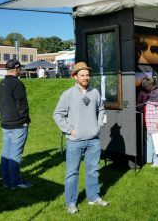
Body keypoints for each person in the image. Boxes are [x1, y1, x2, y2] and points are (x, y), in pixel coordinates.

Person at [53, 62, 107, 215]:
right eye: (82, 75)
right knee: (72, 173)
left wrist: (97, 127)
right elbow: (57, 114)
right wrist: (69, 130)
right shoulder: (68, 94)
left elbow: (101, 109)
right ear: (75, 77)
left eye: (88, 75)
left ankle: (93, 197)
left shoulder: (95, 93)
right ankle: (71, 203)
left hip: (93, 140)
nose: (86, 78)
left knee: (93, 171)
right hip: (75, 141)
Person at [0, 59, 32, 189]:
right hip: (17, 124)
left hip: (5, 123)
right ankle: (15, 182)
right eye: (20, 68)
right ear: (17, 69)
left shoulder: (2, 83)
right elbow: (22, 104)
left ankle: (6, 181)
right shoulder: (17, 84)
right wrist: (25, 120)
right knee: (15, 155)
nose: (21, 70)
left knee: (6, 153)